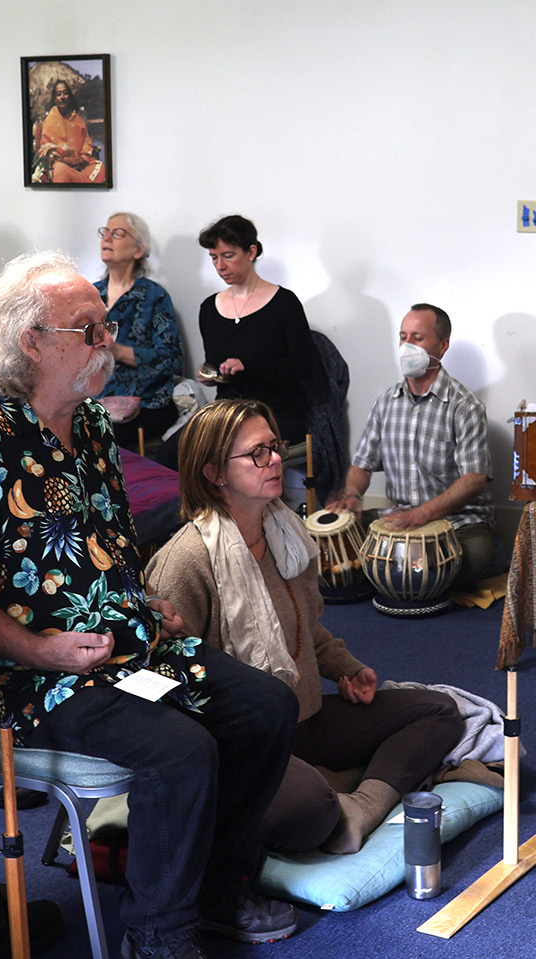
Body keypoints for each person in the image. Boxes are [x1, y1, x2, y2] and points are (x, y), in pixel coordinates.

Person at [0, 251, 298, 959]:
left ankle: (212, 882)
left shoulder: (89, 428)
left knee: (266, 707)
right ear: (32, 343)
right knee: (181, 752)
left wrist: (146, 601)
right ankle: (158, 936)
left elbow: (106, 551)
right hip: (28, 678)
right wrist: (41, 648)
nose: (106, 342)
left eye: (104, 324)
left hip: (125, 649)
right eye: (88, 330)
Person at [150, 399, 465, 854]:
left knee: (438, 711)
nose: (276, 459)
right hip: (247, 741)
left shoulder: (286, 533)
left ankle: (360, 806)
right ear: (214, 472)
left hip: (307, 717)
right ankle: (330, 786)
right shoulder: (186, 559)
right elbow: (168, 681)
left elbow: (305, 627)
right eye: (257, 453)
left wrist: (346, 669)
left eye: (274, 447)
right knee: (310, 817)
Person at [327, 304, 500, 589]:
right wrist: (353, 494)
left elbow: (474, 481)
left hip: (458, 523)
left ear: (442, 346)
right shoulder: (385, 403)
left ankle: (488, 556)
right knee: (336, 540)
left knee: (466, 559)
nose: (407, 346)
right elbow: (362, 464)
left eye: (417, 338)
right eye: (403, 337)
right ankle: (399, 568)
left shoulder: (464, 406)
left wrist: (422, 514)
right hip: (399, 516)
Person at [194, 215, 318, 449]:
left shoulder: (284, 303)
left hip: (274, 413)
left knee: (227, 451)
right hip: (228, 413)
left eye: (228, 256)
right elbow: (216, 364)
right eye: (214, 258)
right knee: (177, 451)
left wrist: (248, 365)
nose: (220, 266)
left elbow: (305, 366)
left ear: (251, 252)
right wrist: (211, 375)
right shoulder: (209, 308)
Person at [94, 212, 185, 451]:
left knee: (96, 434)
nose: (108, 238)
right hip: (94, 401)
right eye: (105, 232)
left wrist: (118, 351)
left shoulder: (154, 296)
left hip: (146, 404)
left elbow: (172, 360)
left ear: (138, 251)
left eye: (118, 233)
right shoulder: (90, 295)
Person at [32, 78, 105, 184]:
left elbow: (86, 143)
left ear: (70, 96)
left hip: (80, 164)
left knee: (101, 169)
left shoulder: (78, 120)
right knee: (61, 171)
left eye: (65, 93)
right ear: (55, 98)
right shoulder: (50, 120)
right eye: (58, 94)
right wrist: (65, 160)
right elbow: (45, 149)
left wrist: (82, 159)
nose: (62, 97)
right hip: (59, 163)